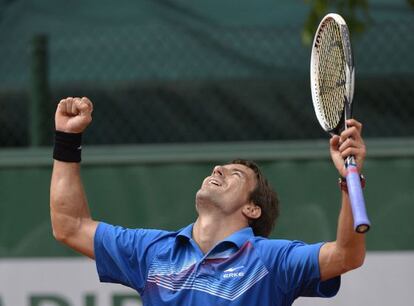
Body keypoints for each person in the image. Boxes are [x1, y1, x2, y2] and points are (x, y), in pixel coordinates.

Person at [50, 97, 367, 306]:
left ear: (251, 209)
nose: (218, 169)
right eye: (220, 168)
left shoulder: (272, 260)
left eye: (236, 175)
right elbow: (69, 226)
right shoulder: (152, 253)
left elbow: (346, 255)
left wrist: (348, 180)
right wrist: (66, 140)